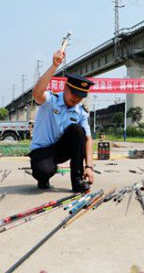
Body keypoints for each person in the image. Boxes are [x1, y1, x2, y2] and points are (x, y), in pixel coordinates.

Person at [28, 49, 94, 193]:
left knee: (78, 131)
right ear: (65, 88)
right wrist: (54, 66)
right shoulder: (51, 100)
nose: (76, 99)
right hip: (42, 151)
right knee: (44, 171)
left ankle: (77, 181)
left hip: (60, 150)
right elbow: (36, 94)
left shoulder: (81, 111)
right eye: (74, 94)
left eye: (80, 96)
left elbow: (88, 140)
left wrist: (89, 166)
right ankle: (44, 177)